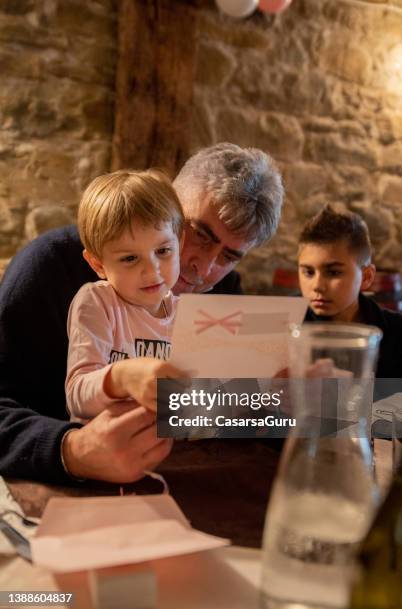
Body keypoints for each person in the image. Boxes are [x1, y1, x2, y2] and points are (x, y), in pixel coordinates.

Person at [0, 143, 284, 484]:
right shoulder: (48, 268)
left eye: (229, 256)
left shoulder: (221, 297)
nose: (203, 268)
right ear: (168, 201)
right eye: (199, 235)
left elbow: (217, 415)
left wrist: (300, 404)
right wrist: (72, 450)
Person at [66, 169, 188, 422]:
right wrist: (121, 377)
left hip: (175, 451)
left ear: (180, 244)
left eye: (163, 250)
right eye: (130, 258)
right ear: (98, 264)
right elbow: (77, 399)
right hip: (108, 451)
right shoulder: (97, 302)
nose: (152, 269)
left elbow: (204, 408)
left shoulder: (191, 314)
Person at [298, 204, 402, 378]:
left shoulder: (400, 332)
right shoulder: (286, 328)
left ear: (366, 277)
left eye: (334, 272)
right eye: (308, 272)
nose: (317, 285)